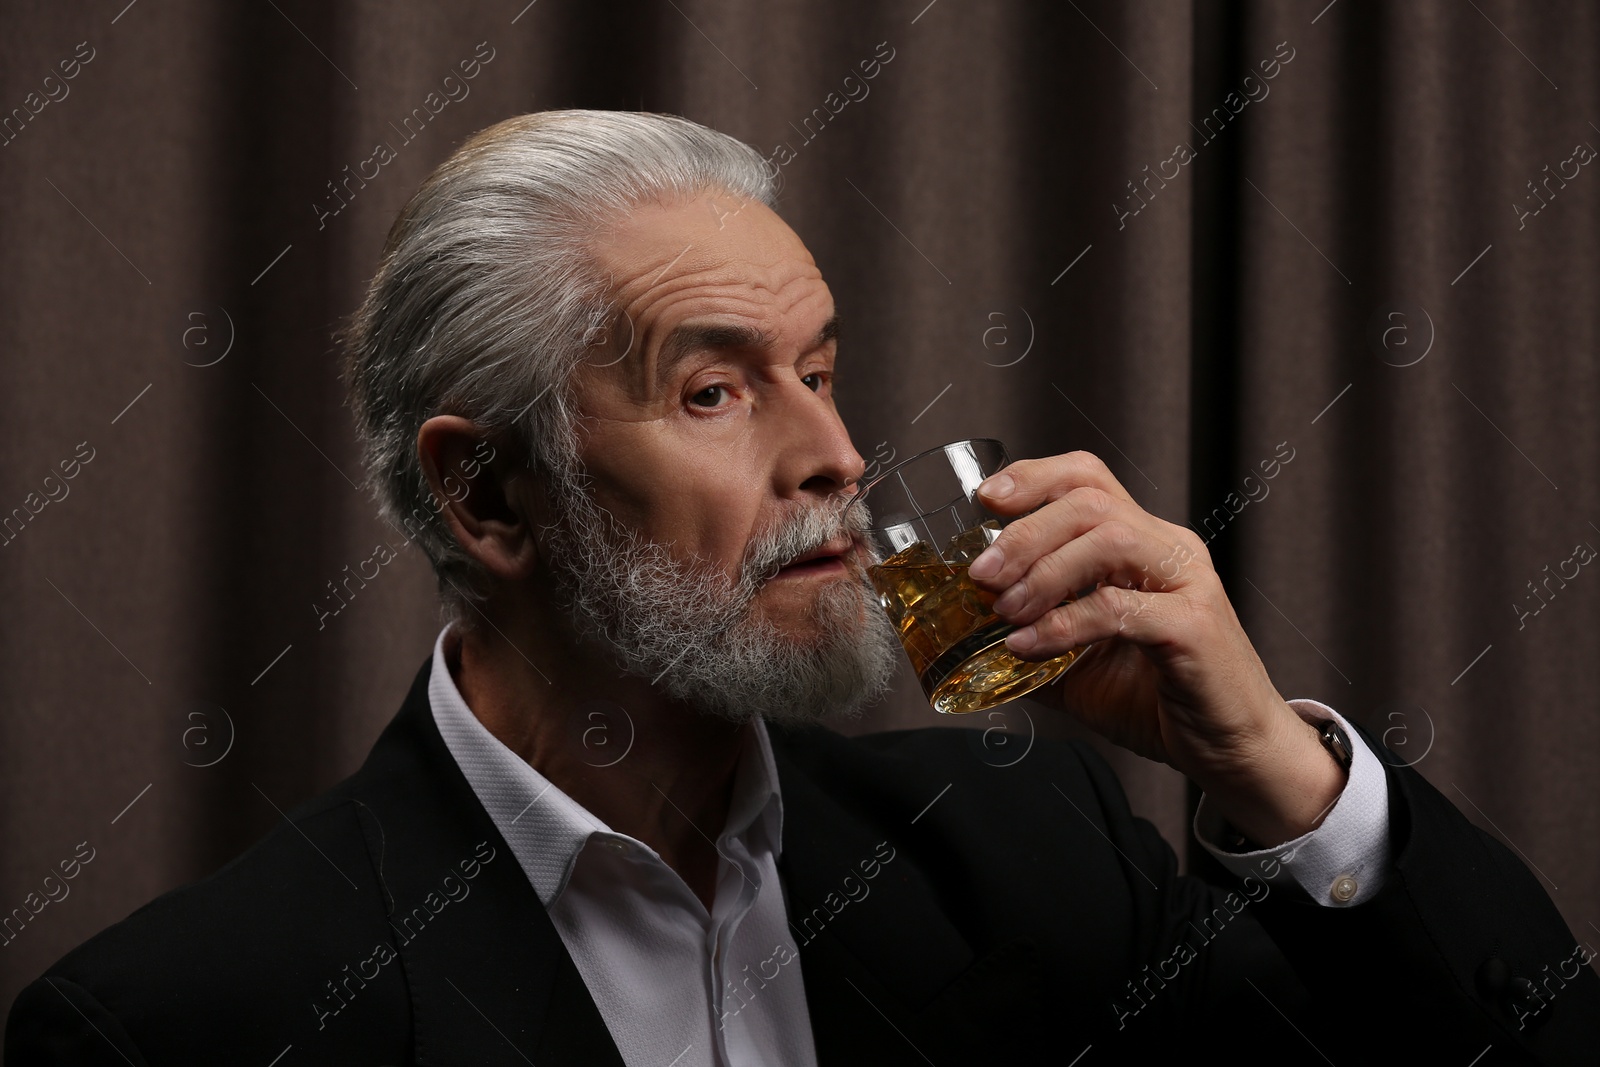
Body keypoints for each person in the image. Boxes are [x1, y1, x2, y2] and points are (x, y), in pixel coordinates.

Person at [6, 110, 1596, 1066]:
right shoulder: (189, 1024)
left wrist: (1280, 777)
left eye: (824, 371)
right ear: (487, 493)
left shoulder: (1031, 853)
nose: (838, 451)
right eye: (716, 391)